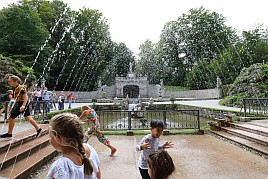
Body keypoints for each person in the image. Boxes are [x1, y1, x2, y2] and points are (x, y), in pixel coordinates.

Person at [47, 113, 101, 179]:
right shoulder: (89, 149)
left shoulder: (60, 166)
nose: (49, 140)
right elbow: (98, 175)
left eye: (50, 137)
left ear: (58, 139)